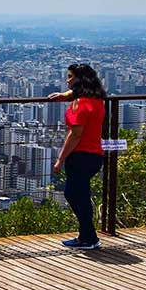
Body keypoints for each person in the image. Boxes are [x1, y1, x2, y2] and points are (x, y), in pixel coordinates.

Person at [48, 63, 107, 249]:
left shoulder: (80, 104)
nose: (67, 80)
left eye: (70, 76)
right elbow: (79, 96)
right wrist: (66, 95)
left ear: (79, 80)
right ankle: (87, 236)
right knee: (80, 194)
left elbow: (75, 134)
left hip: (80, 155)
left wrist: (60, 159)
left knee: (73, 194)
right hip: (95, 155)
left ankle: (88, 237)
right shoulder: (97, 100)